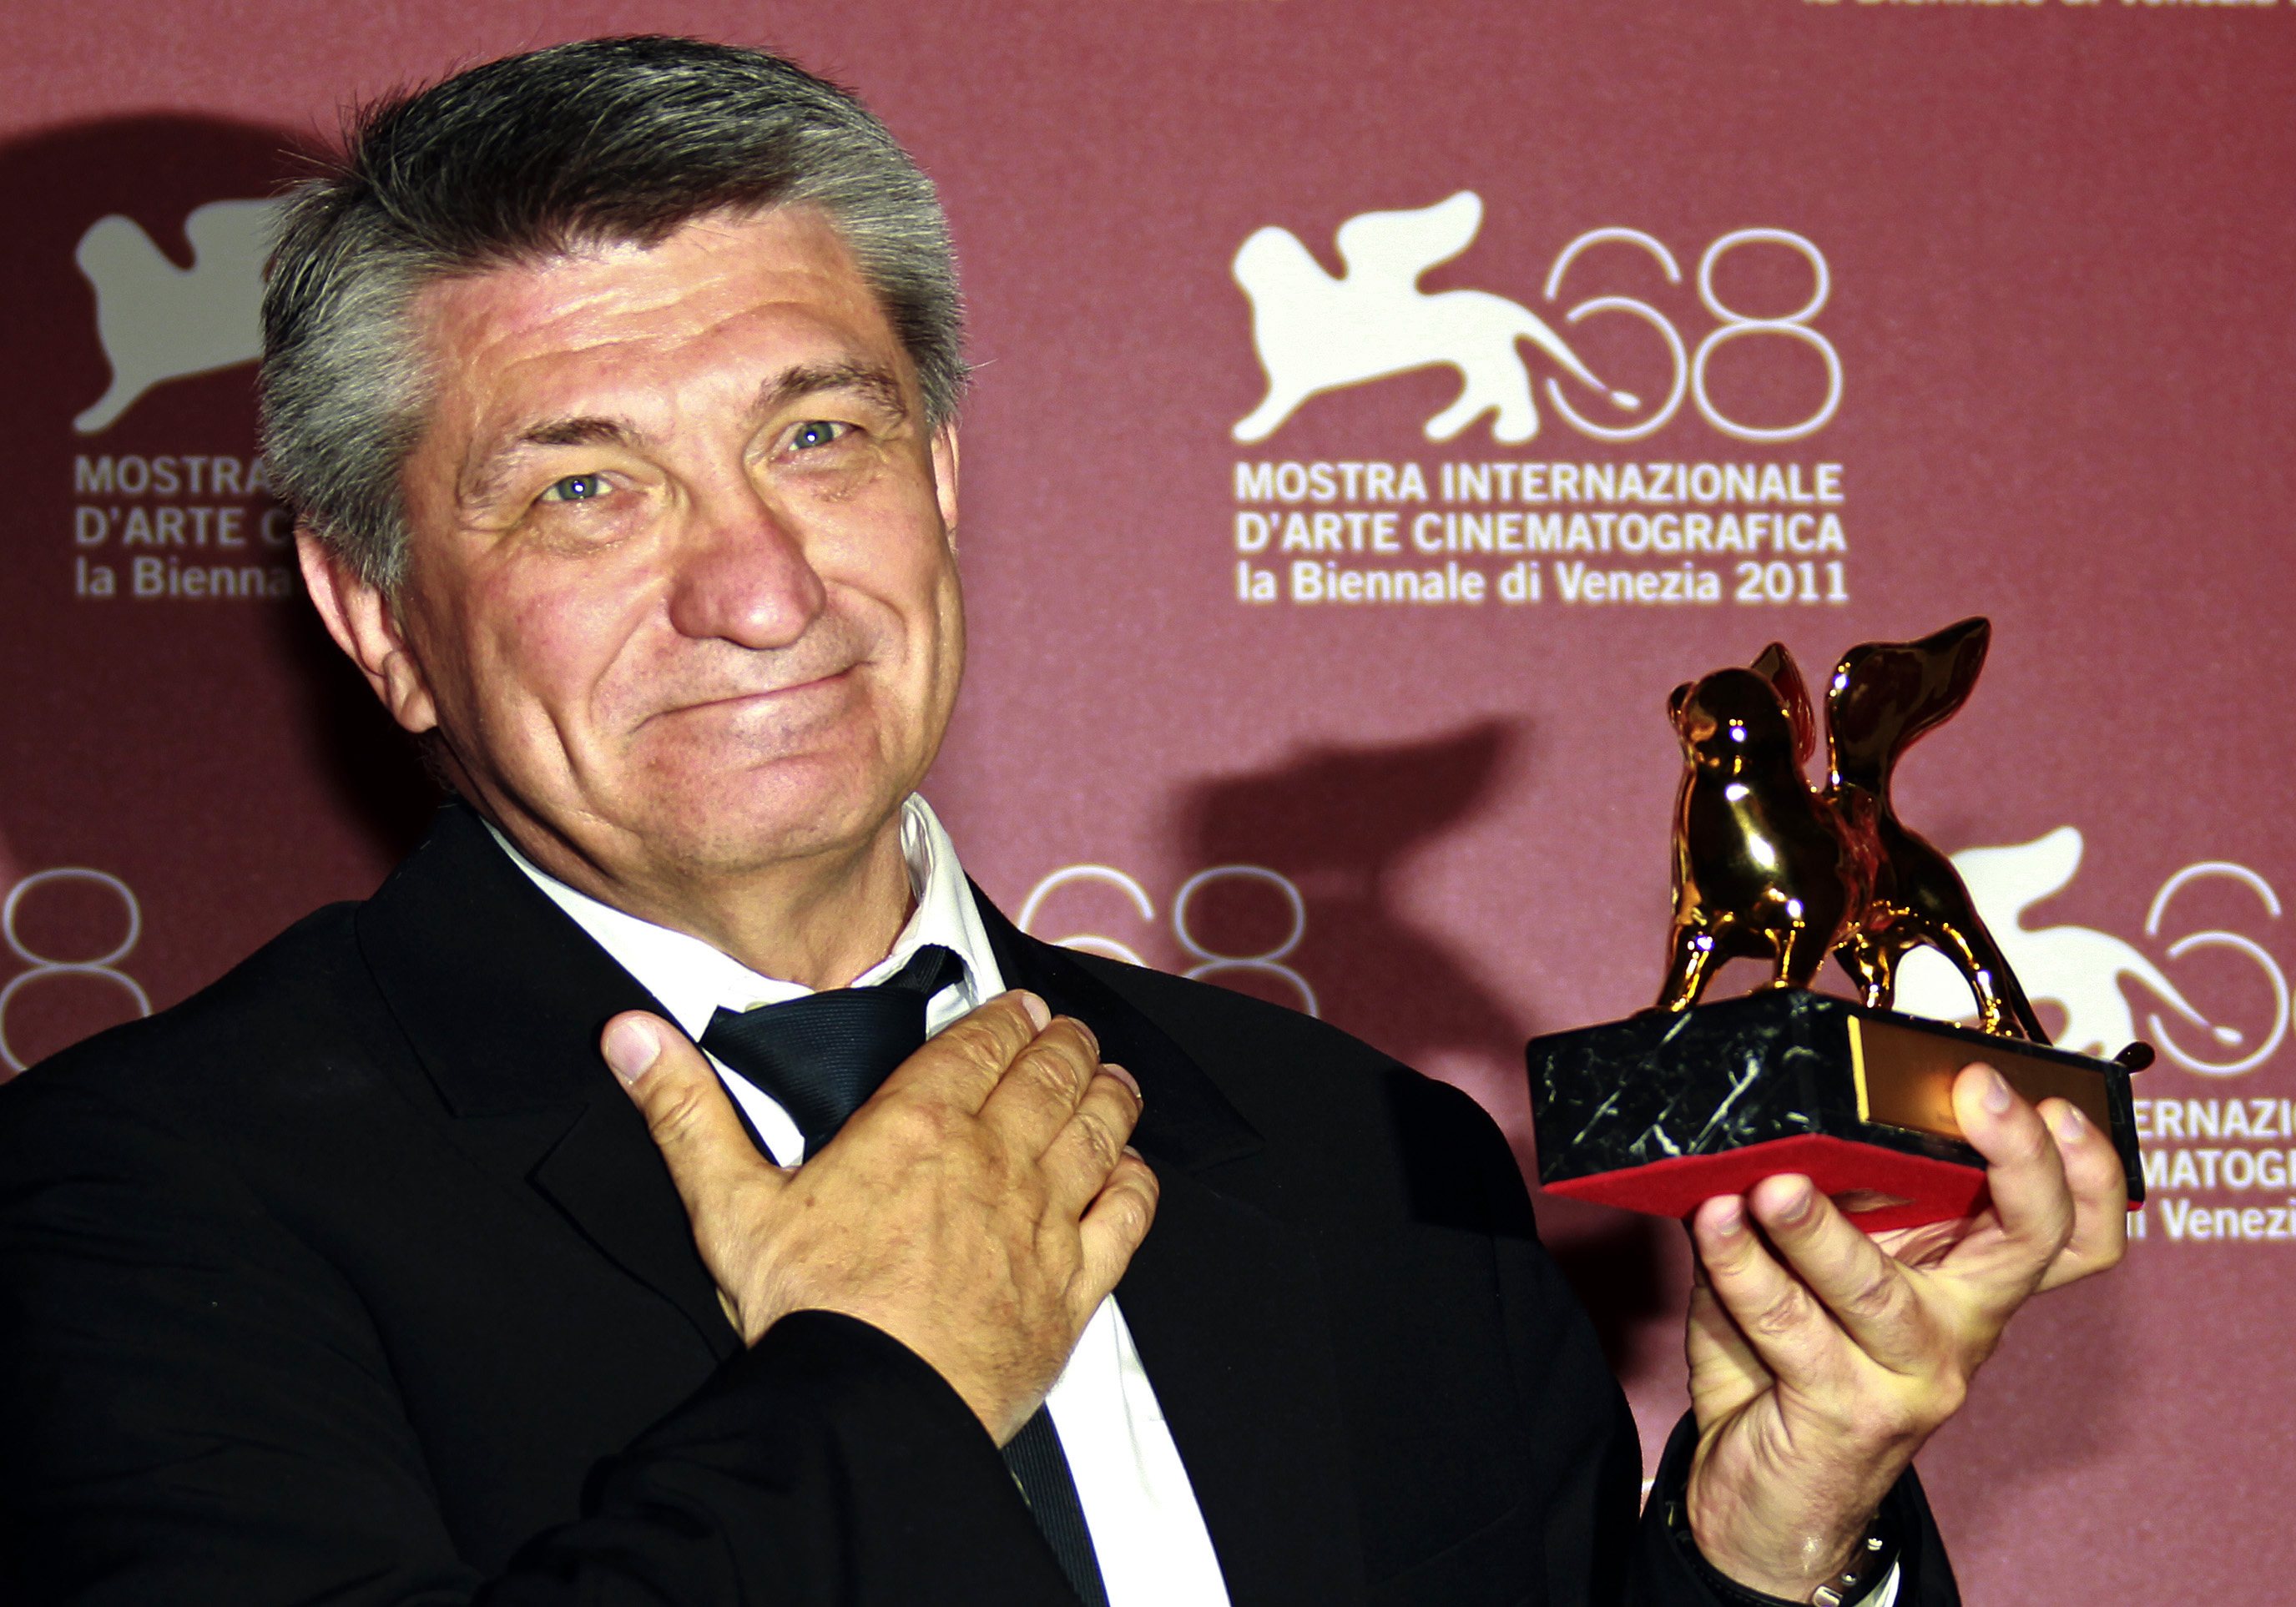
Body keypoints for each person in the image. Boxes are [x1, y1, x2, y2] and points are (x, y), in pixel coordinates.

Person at [0, 36, 2128, 1607]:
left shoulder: (1358, 1158)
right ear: (378, 616)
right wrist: (886, 1379)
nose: (757, 587)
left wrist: (1769, 1537)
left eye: (816, 437)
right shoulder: (148, 1202)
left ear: (938, 482)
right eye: (584, 485)